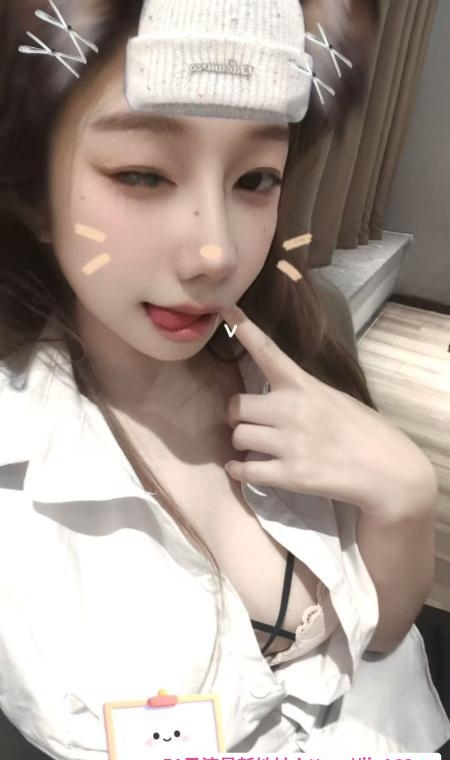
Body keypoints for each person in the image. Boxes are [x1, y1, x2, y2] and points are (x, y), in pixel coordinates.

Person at [0, 0, 449, 758]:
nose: (217, 253)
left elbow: (381, 638)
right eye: (143, 174)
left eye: (255, 179)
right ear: (35, 195)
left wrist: (405, 500)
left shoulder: (306, 341)